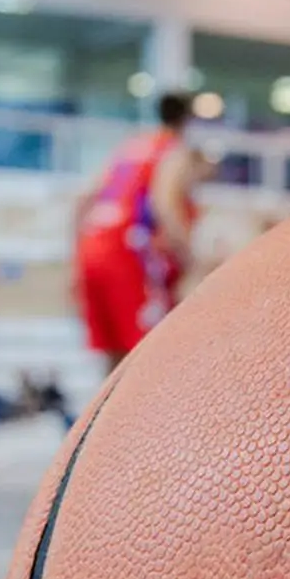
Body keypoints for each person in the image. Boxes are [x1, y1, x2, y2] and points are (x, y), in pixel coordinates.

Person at [74, 93, 205, 373]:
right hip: (128, 252)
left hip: (92, 247)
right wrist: (192, 259)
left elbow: (83, 199)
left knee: (114, 359)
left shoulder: (129, 147)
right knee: (147, 355)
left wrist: (74, 257)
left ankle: (110, 405)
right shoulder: (174, 150)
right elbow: (165, 204)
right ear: (188, 120)